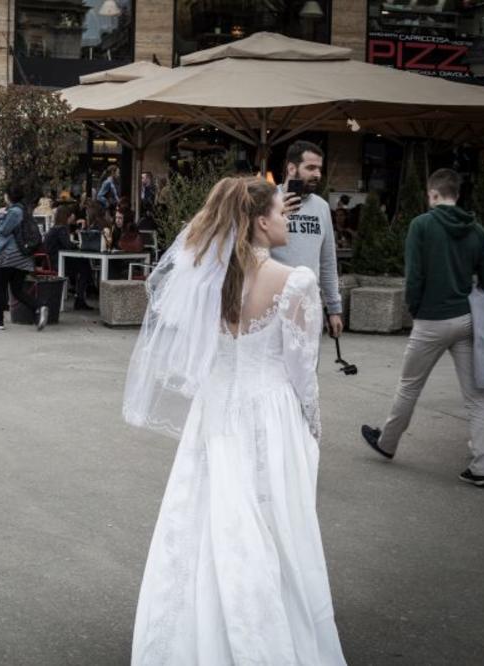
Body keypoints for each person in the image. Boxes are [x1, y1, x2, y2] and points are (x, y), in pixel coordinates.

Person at [123, 176, 346, 665]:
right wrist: (312, 425)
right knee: (275, 521)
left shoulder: (209, 277)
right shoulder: (295, 282)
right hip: (270, 411)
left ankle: (193, 627)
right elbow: (302, 369)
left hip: (216, 407)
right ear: (261, 222)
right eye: (281, 213)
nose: (287, 221)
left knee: (206, 515)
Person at [361, 169, 484, 487]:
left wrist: (415, 308)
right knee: (475, 396)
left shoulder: (421, 225)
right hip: (465, 318)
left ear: (432, 194)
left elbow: (415, 275)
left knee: (409, 386)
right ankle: (481, 466)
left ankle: (387, 443)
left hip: (430, 320)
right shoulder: (477, 231)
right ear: (457, 195)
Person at [271, 141, 344, 338]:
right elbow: (252, 249)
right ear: (291, 168)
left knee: (308, 358)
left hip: (309, 305)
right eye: (310, 168)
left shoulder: (321, 207)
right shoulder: (267, 201)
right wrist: (277, 213)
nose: (317, 174)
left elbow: (327, 261)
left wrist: (334, 309)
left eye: (319, 168)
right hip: (272, 303)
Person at [0, 182, 49, 331]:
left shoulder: (14, 212)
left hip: (10, 256)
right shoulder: (24, 210)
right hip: (23, 258)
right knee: (17, 290)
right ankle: (39, 306)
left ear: (9, 196)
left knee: (0, 288)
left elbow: (3, 231)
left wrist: (0, 215)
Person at [43, 205, 93, 310]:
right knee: (85, 266)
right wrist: (78, 245)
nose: (73, 218)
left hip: (50, 262)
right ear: (67, 216)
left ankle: (79, 295)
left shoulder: (54, 228)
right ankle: (80, 298)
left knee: (82, 264)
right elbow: (68, 245)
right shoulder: (61, 229)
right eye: (71, 216)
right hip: (57, 264)